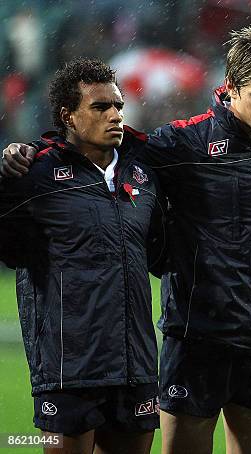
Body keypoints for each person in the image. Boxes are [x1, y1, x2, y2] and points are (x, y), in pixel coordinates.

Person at [2, 26, 251, 454]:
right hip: (194, 334)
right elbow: (91, 155)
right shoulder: (181, 143)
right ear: (232, 88)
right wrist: (30, 151)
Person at [0, 58, 165, 454]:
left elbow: (162, 252)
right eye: (100, 107)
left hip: (135, 363)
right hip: (67, 367)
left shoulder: (142, 173)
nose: (115, 115)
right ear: (67, 116)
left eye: (119, 106)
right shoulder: (32, 174)